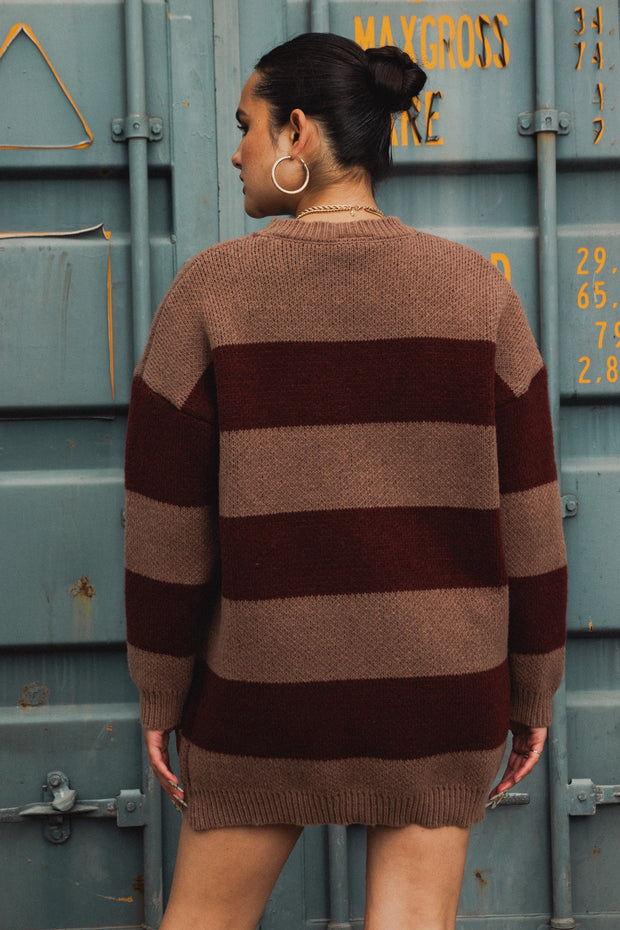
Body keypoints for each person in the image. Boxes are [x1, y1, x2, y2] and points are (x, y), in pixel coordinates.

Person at [124, 32, 567, 930]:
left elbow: (165, 525)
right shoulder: (478, 292)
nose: (237, 151)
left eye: (245, 125)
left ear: (297, 132)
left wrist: (161, 690)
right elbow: (531, 520)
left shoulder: (209, 293)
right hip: (441, 692)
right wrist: (531, 691)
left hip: (264, 694)